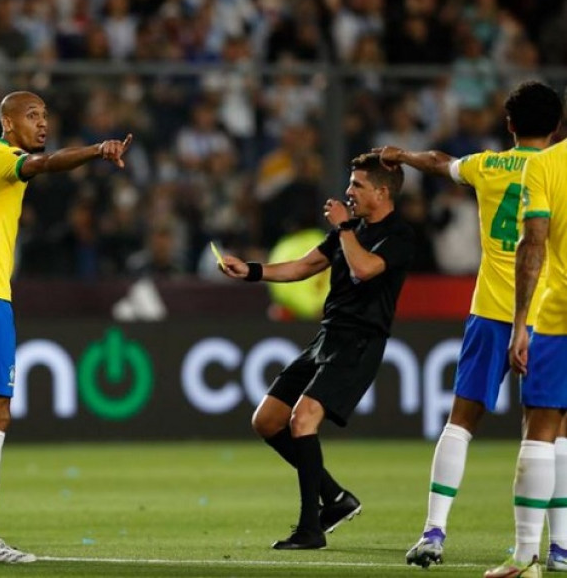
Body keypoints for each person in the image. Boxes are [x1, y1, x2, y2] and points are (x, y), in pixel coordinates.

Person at [0, 91, 131, 563]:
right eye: (32, 116)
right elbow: (48, 164)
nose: (42, 123)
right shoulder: (5, 160)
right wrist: (97, 150)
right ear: (8, 123)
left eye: (46, 116)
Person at [371, 80, 564, 569]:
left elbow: (440, 161)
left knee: (461, 423)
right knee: (551, 431)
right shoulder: (557, 170)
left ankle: (434, 530)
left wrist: (402, 155)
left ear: (510, 124)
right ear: (558, 125)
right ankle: (558, 545)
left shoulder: (488, 166)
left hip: (492, 312)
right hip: (550, 315)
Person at [218, 153, 412, 550]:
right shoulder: (351, 228)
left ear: (382, 191)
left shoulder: (399, 235)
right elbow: (304, 266)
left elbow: (364, 269)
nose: (348, 191)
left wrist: (343, 228)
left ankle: (310, 529)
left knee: (302, 419)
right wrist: (252, 271)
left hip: (360, 341)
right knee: (267, 419)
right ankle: (336, 499)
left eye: (357, 184)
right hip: (328, 337)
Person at [485, 123, 567, 578]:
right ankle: (563, 549)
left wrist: (521, 323)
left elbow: (532, 240)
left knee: (543, 423)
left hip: (559, 315)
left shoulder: (545, 164)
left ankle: (524, 558)